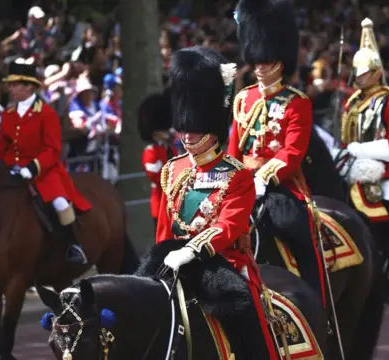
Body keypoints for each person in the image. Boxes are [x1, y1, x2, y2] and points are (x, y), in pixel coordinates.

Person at [156, 46, 278, 359]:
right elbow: (164, 224)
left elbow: (230, 225)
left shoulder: (236, 175)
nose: (187, 136)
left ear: (212, 129)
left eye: (194, 130)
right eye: (184, 128)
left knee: (246, 318)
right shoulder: (173, 168)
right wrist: (162, 256)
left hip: (222, 261)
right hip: (173, 260)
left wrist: (192, 250)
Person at [228, 0, 326, 308]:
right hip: (243, 182)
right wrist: (230, 178)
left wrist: (262, 178)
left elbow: (292, 151)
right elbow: (235, 147)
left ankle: (316, 302)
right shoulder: (244, 98)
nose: (258, 66)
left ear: (280, 62)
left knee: (297, 233)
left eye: (266, 60)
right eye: (256, 59)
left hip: (280, 186)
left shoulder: (296, 101)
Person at [339, 18, 389, 303]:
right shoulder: (351, 103)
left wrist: (360, 150)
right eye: (356, 74)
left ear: (375, 73)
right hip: (354, 168)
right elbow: (345, 139)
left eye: (362, 74)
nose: (357, 78)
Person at [0, 58, 92, 265]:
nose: (9, 88)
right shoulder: (7, 114)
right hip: (12, 170)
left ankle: (73, 245)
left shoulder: (46, 114)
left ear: (29, 86)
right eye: (9, 84)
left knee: (60, 203)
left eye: (14, 84)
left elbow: (52, 149)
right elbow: (0, 146)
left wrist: (31, 168)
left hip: (44, 171)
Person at [138, 90, 177, 229]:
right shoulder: (150, 152)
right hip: (161, 204)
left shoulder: (170, 148)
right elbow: (158, 177)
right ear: (154, 132)